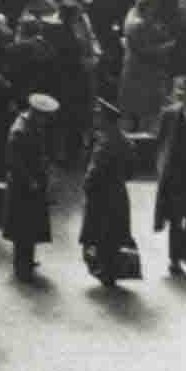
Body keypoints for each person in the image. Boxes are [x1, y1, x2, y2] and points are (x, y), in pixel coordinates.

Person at [80, 103, 138, 286]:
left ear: (106, 120)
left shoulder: (105, 142)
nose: (96, 119)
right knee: (115, 232)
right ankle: (112, 269)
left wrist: (87, 186)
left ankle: (106, 271)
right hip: (118, 192)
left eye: (98, 116)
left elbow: (94, 171)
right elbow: (130, 172)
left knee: (101, 233)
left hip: (102, 194)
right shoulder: (125, 140)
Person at [5, 92, 58, 281]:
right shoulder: (20, 130)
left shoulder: (32, 126)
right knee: (22, 228)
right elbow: (14, 161)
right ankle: (21, 266)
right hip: (24, 185)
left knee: (30, 225)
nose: (45, 120)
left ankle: (27, 260)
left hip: (33, 183)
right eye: (43, 116)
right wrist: (30, 180)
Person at [154, 76, 186, 276]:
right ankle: (174, 259)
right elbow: (160, 143)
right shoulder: (170, 114)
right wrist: (161, 169)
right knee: (174, 218)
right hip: (175, 176)